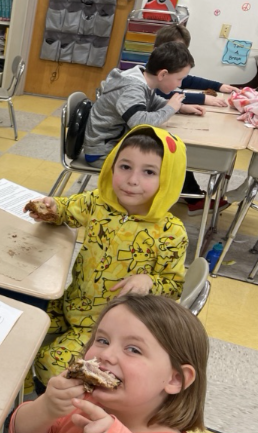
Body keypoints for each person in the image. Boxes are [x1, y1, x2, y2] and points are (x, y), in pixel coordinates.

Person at [24, 125, 188, 392]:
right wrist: (53, 208)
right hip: (71, 303)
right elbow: (69, 209)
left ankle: (52, 407)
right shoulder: (99, 202)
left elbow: (174, 286)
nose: (132, 180)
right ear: (112, 166)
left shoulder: (171, 232)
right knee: (21, 325)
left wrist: (148, 281)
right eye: (125, 167)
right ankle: (16, 391)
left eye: (148, 172)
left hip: (108, 328)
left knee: (49, 363)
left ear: (168, 178)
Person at [0, 294, 208, 433]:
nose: (106, 354)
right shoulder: (85, 403)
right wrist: (47, 407)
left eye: (133, 349)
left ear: (175, 379)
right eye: (103, 340)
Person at [153, 24, 239, 216]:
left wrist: (218, 86)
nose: (178, 55)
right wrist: (202, 98)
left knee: (179, 145)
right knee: (177, 147)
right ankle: (193, 198)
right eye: (174, 50)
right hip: (132, 137)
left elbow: (185, 81)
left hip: (152, 124)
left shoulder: (163, 69)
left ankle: (187, 193)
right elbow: (163, 93)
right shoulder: (150, 73)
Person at [83, 41, 203, 167]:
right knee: (165, 164)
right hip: (103, 152)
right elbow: (140, 123)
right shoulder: (132, 88)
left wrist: (181, 108)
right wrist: (170, 108)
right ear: (163, 74)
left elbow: (153, 101)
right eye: (179, 79)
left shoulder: (143, 80)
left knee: (170, 159)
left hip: (117, 144)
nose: (180, 84)